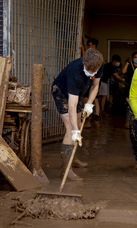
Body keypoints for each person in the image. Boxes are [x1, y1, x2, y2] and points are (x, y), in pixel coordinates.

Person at [52, 49, 104, 181]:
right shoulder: (75, 71)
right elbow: (72, 106)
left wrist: (90, 103)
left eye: (94, 71)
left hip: (79, 92)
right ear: (84, 63)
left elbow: (95, 85)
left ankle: (72, 159)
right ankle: (66, 171)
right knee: (71, 129)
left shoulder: (99, 64)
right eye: (88, 70)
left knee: (79, 124)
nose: (91, 73)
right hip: (62, 92)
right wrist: (75, 130)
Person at [122, 51, 137, 129]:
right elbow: (123, 71)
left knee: (136, 106)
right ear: (132, 58)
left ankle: (135, 122)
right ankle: (127, 122)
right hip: (129, 88)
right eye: (135, 57)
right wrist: (127, 63)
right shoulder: (129, 66)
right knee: (129, 105)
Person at [83, 37, 100, 128]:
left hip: (93, 81)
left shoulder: (96, 57)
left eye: (89, 45)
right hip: (89, 81)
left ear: (94, 46)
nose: (87, 47)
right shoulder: (87, 55)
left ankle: (93, 120)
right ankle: (90, 120)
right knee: (91, 100)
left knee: (92, 99)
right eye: (87, 45)